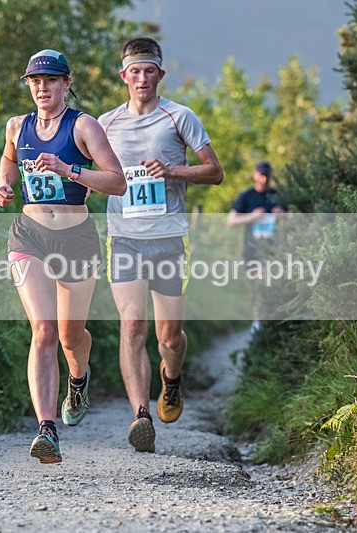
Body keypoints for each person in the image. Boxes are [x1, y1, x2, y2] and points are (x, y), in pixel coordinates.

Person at [0, 49, 125, 463]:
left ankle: (79, 377)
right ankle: (47, 430)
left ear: (67, 83)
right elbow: (9, 160)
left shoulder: (83, 126)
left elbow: (117, 182)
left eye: (51, 80)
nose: (42, 88)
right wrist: (5, 185)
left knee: (70, 336)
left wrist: (69, 170)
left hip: (76, 239)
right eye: (35, 81)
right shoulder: (17, 126)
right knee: (44, 330)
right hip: (29, 235)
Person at [99, 37, 223, 453]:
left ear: (160, 75)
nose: (142, 78)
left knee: (169, 338)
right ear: (124, 76)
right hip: (124, 239)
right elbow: (87, 173)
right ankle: (141, 416)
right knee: (133, 326)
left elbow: (214, 172)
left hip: (169, 240)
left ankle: (172, 380)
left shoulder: (179, 117)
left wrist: (172, 170)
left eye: (149, 70)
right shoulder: (105, 125)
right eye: (134, 71)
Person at [227, 161, 286, 332]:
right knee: (256, 287)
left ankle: (267, 323)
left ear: (271, 175)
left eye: (266, 175)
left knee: (268, 283)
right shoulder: (246, 196)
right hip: (252, 250)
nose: (264, 178)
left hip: (274, 251)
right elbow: (231, 221)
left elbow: (295, 218)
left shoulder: (278, 195)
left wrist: (282, 214)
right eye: (261, 174)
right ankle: (259, 322)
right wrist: (251, 217)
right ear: (255, 175)